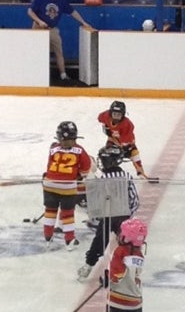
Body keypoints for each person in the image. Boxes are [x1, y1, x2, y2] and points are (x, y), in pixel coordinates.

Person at [77, 145, 139, 281]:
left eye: (104, 160)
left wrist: (96, 217)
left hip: (107, 218)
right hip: (124, 217)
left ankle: (88, 266)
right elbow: (134, 199)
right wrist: (130, 217)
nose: (102, 163)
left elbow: (95, 204)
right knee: (127, 243)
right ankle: (128, 270)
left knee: (99, 242)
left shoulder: (101, 179)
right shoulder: (126, 176)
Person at [27, 0, 93, 84]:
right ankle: (34, 74)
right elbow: (30, 11)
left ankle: (63, 75)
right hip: (39, 28)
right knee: (37, 52)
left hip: (52, 29)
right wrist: (39, 21)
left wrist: (83, 22)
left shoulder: (61, 0)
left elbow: (72, 12)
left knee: (59, 51)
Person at [42, 121, 92, 250]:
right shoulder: (80, 150)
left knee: (50, 211)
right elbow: (86, 168)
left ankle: (48, 237)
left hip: (49, 185)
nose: (66, 142)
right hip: (67, 187)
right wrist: (80, 176)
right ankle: (69, 241)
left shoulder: (53, 148)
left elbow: (49, 167)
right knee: (68, 214)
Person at [103, 217, 147, 312]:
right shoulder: (139, 254)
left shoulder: (120, 251)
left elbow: (118, 273)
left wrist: (107, 278)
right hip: (135, 299)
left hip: (118, 299)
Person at [97, 100, 147, 179]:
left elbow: (127, 138)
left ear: (123, 115)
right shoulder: (106, 115)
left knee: (134, 154)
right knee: (108, 154)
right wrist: (106, 126)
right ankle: (109, 170)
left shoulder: (127, 125)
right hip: (113, 139)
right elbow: (99, 118)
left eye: (118, 115)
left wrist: (125, 148)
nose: (116, 117)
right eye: (114, 114)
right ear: (110, 113)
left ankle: (140, 172)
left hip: (128, 143)